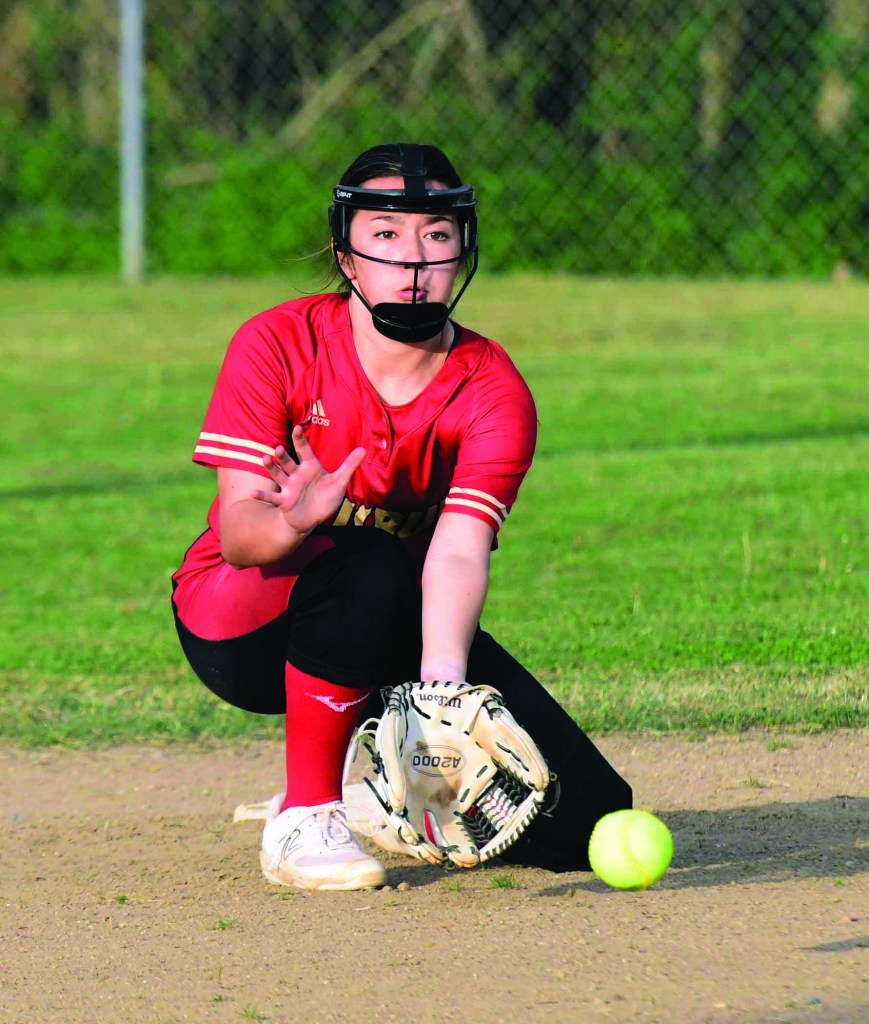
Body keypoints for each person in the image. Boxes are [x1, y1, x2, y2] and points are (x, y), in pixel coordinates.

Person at [171, 142, 631, 892]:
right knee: (369, 565)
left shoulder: (491, 388)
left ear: (462, 251)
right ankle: (305, 818)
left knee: (585, 816)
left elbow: (457, 551)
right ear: (346, 256)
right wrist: (295, 522)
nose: (412, 259)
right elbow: (240, 539)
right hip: (241, 624)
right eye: (385, 234)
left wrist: (440, 699)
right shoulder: (278, 341)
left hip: (388, 622)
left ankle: (368, 794)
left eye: (435, 234)